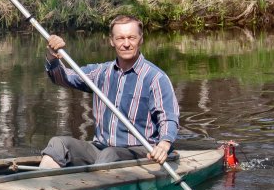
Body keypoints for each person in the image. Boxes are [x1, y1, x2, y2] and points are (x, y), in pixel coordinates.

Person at [38, 15, 179, 169]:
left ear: (141, 39)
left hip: (140, 152)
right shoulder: (100, 73)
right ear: (112, 41)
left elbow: (168, 118)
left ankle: (93, 189)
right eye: (120, 38)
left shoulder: (156, 78)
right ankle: (43, 188)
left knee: (111, 154)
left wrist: (163, 146)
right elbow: (64, 78)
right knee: (58, 144)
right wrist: (53, 56)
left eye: (131, 38)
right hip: (101, 150)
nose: (126, 44)